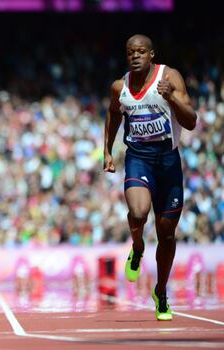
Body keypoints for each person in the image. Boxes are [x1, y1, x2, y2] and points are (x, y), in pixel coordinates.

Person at [103, 34, 197, 320]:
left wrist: (171, 98)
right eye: (130, 52)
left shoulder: (170, 78)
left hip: (168, 162)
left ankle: (161, 292)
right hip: (139, 159)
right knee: (138, 211)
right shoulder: (120, 87)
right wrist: (106, 152)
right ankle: (138, 246)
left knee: (167, 233)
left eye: (141, 51)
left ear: (152, 54)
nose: (135, 56)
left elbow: (191, 121)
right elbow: (113, 115)